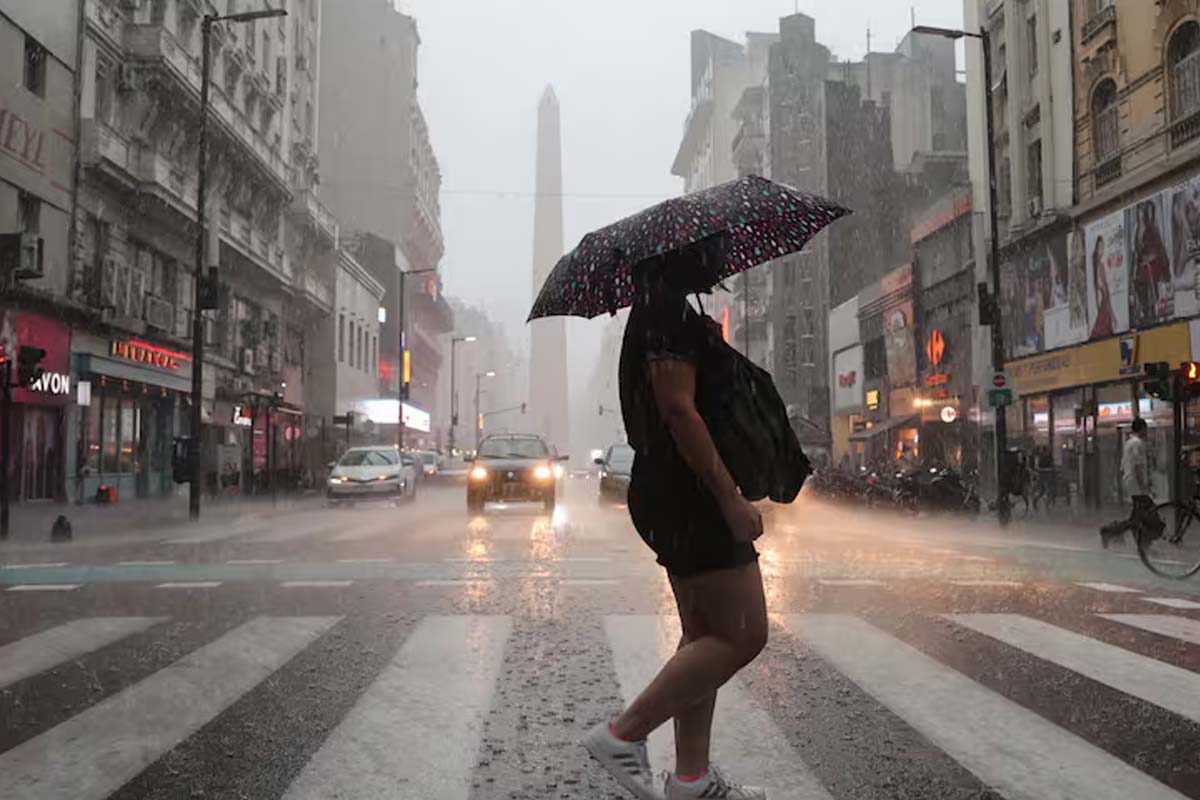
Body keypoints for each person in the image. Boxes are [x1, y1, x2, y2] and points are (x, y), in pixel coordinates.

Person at [584, 238, 769, 800]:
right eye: (711, 252)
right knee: (743, 635)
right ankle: (623, 734)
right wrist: (728, 495)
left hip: (672, 491)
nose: (722, 261)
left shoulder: (661, 313)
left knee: (703, 636)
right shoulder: (666, 317)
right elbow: (678, 409)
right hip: (691, 494)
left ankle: (691, 778)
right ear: (680, 260)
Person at [1100, 417, 1154, 549]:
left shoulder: (1129, 443)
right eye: (1146, 429)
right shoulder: (1138, 443)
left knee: (1139, 516)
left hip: (1130, 482)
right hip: (1136, 484)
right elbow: (1138, 466)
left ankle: (1141, 544)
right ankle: (1111, 531)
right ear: (1142, 429)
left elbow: (1124, 466)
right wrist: (1143, 484)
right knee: (1146, 515)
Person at [1090, 234, 1116, 338]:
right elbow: (1101, 285)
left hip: (1104, 299)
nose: (1102, 250)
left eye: (1103, 247)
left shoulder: (1097, 264)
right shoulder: (1099, 265)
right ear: (1096, 249)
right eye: (1100, 247)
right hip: (1104, 298)